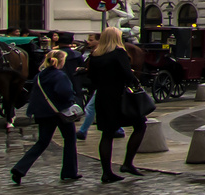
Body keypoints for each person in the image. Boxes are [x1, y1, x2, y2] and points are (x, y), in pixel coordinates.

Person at [12, 48, 81, 184]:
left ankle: (20, 168)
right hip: (59, 112)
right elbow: (65, 93)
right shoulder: (60, 75)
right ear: (61, 61)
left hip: (43, 113)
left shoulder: (40, 75)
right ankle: (69, 171)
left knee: (42, 142)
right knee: (69, 140)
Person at [86, 27, 146, 182]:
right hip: (119, 97)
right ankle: (127, 163)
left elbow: (91, 79)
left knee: (107, 134)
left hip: (102, 97)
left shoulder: (95, 55)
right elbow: (128, 75)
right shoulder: (119, 53)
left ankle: (106, 172)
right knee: (140, 126)